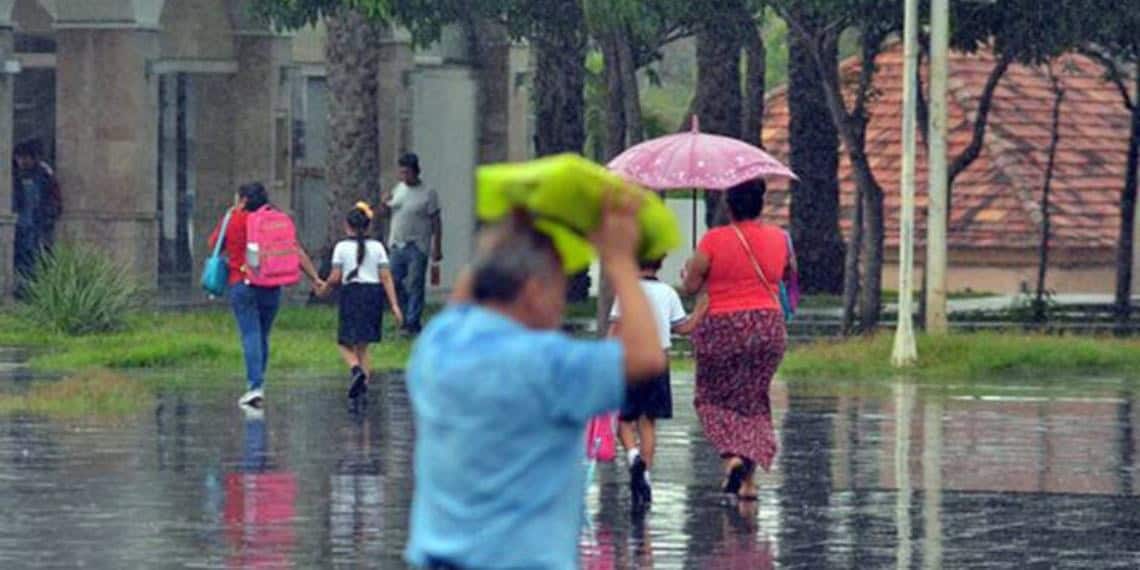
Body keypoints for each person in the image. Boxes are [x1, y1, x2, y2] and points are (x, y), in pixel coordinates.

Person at [404, 198, 667, 570]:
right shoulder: (549, 363)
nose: (560, 307)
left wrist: (510, 235)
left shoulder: (438, 344)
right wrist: (621, 261)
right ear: (532, 291)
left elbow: (469, 290)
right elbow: (646, 357)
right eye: (558, 292)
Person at [681, 179, 795, 502]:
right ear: (760, 204)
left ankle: (732, 459)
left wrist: (691, 271)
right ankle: (748, 484)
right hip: (767, 326)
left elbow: (691, 286)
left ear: (729, 206)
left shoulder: (714, 239)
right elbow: (787, 275)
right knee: (754, 399)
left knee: (712, 399)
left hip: (722, 326)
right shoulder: (779, 239)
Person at [208, 182, 321, 408]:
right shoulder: (275, 219)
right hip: (271, 283)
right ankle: (259, 383)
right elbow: (294, 250)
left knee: (250, 333)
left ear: (243, 200)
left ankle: (254, 386)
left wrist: (228, 220)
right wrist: (315, 278)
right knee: (262, 335)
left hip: (242, 283)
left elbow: (213, 246)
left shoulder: (234, 219)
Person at [607, 256, 706, 507]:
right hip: (657, 360)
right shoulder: (668, 293)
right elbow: (683, 328)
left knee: (623, 419)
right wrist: (700, 311)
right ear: (660, 265)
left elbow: (615, 329)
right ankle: (646, 477)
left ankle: (632, 456)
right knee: (647, 422)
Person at [315, 202, 404, 400]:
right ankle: (363, 384)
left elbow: (336, 276)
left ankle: (356, 370)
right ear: (368, 226)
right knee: (363, 344)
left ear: (347, 226)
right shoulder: (378, 247)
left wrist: (324, 289)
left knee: (344, 341)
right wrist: (395, 305)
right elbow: (386, 277)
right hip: (373, 295)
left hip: (352, 294)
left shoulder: (341, 247)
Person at [380, 153, 441, 336]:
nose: (403, 177)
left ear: (415, 172)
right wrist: (384, 203)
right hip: (397, 244)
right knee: (394, 281)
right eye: (401, 173)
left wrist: (437, 246)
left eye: (407, 173)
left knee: (415, 283)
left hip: (417, 244)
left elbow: (436, 220)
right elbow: (387, 212)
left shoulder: (428, 193)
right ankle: (404, 315)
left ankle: (412, 322)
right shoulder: (399, 189)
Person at [12, 140, 62, 285]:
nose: (23, 161)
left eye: (26, 157)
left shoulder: (44, 176)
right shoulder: (13, 176)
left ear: (33, 158)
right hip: (19, 227)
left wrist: (49, 216)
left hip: (38, 226)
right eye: (19, 157)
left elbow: (54, 199)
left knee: (38, 259)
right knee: (20, 259)